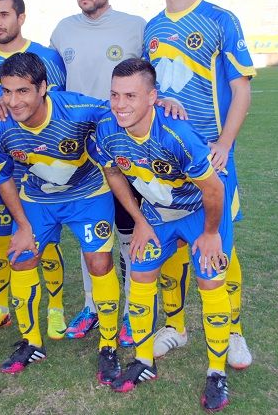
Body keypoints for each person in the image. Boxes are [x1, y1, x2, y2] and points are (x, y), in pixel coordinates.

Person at [143, 0, 255, 370]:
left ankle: (234, 331)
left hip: (211, 158)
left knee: (220, 246)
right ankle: (175, 326)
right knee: (171, 247)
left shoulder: (219, 20)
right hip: (165, 161)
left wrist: (224, 143)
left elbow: (241, 89)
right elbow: (149, 91)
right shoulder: (152, 29)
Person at [97, 58, 233, 412]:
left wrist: (211, 233)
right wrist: (139, 220)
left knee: (210, 280)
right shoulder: (107, 129)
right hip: (157, 212)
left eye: (130, 95)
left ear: (152, 97)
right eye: (115, 95)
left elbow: (214, 189)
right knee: (140, 273)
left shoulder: (176, 134)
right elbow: (113, 174)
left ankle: (217, 372)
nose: (120, 104)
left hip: (201, 209)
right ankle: (144, 360)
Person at [0, 52, 121, 383]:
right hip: (38, 199)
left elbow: (122, 109)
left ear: (43, 87)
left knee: (99, 263)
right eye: (6, 91)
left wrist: (164, 103)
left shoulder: (77, 109)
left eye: (22, 91)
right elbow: (3, 177)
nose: (13, 101)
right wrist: (23, 226)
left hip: (88, 195)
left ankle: (108, 345)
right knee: (21, 258)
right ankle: (31, 342)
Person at [50, 0, 147, 343]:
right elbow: (48, 82)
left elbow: (150, 83)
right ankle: (93, 305)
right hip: (80, 149)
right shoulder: (62, 31)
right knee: (90, 229)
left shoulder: (135, 27)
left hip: (123, 146)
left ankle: (132, 310)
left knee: (128, 226)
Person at [0, 0, 68, 338]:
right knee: (1, 239)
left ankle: (56, 308)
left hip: (38, 165)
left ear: (21, 17)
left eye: (5, 15)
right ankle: (0, 308)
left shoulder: (46, 57)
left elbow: (57, 110)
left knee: (45, 241)